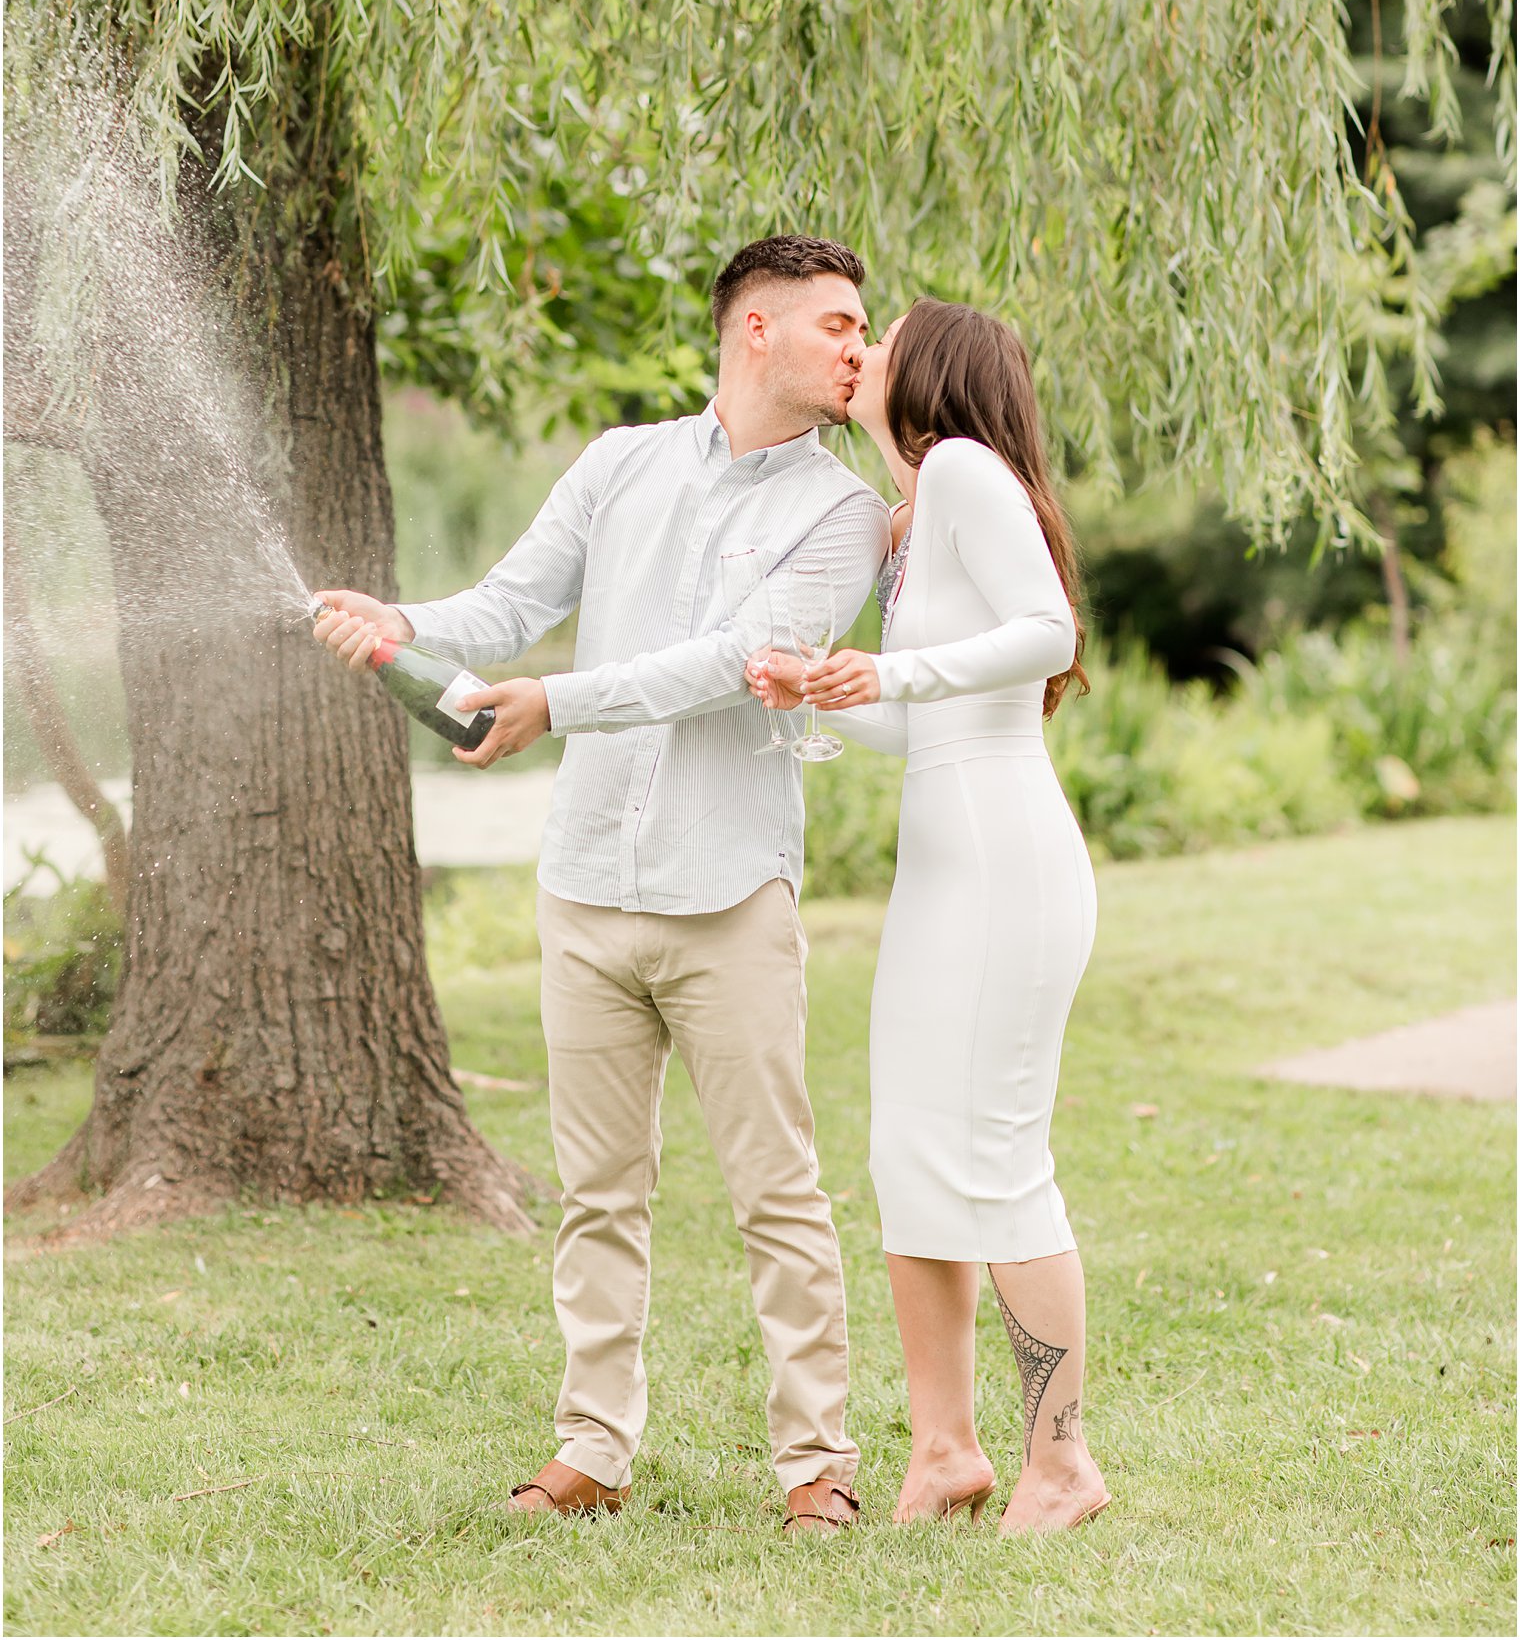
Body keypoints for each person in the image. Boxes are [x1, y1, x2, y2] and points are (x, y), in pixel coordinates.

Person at [311, 236, 889, 1535]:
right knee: (597, 1192)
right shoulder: (618, 461)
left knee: (776, 1190)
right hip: (583, 891)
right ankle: (592, 1450)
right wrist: (404, 626)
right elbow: (509, 603)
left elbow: (736, 659)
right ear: (757, 330)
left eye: (864, 329)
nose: (862, 350)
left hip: (731, 896)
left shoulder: (843, 511)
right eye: (840, 325)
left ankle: (817, 1467)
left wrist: (554, 704)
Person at [751, 297, 1109, 1534]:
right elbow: (911, 721)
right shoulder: (917, 516)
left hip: (1005, 862)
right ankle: (944, 1453)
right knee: (908, 1157)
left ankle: (1059, 1462)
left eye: (881, 341)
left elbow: (1045, 631)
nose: (860, 357)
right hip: (940, 865)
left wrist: (885, 666)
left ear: (931, 371)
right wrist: (813, 691)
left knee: (1000, 1160)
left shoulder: (962, 468)